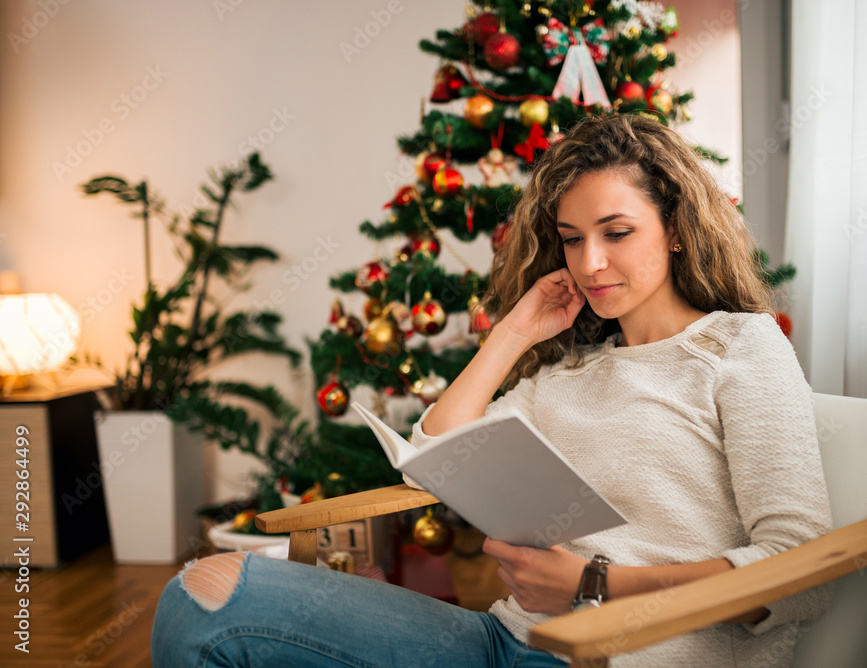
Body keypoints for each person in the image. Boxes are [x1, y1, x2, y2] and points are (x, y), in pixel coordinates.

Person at [151, 113, 832, 667]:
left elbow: (798, 570)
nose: (590, 263)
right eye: (572, 240)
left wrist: (594, 585)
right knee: (201, 596)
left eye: (617, 233)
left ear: (677, 229)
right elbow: (437, 447)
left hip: (619, 655)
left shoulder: (739, 347)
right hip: (503, 640)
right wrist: (511, 334)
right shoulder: (571, 371)